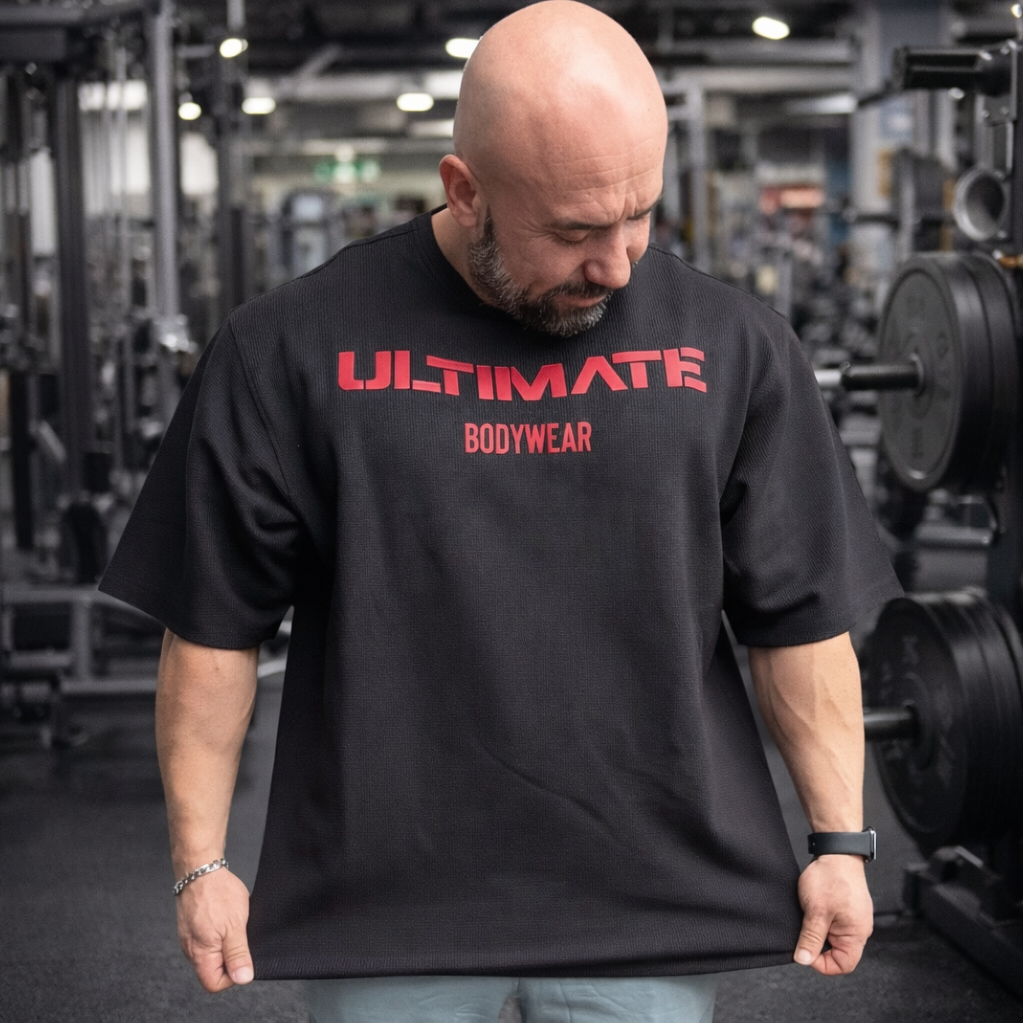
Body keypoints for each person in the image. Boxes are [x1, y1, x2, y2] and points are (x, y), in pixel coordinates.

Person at [100, 3, 901, 1021]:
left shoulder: (735, 347)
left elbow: (801, 616)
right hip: (389, 917)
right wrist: (199, 862)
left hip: (649, 910)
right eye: (572, 231)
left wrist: (840, 842)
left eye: (640, 214)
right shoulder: (288, 350)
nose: (617, 264)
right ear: (464, 189)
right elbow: (214, 626)